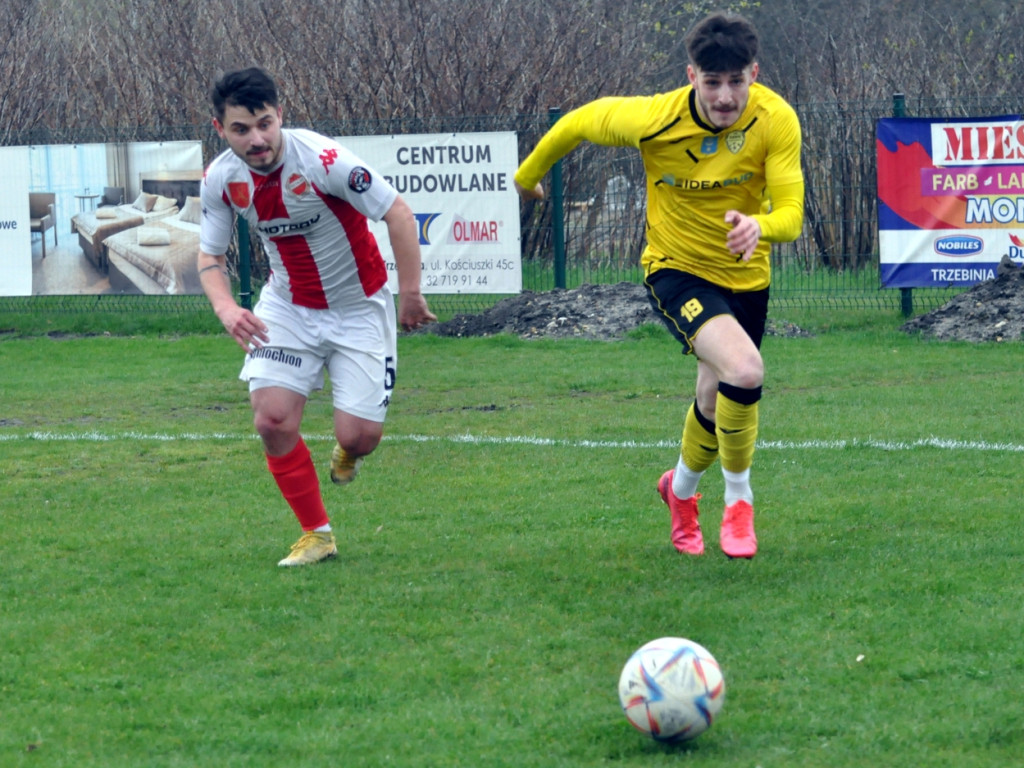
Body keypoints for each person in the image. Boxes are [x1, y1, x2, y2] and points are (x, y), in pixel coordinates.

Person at [514, 13, 804, 558]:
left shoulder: (777, 120)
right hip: (676, 268)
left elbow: (791, 213)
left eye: (736, 81)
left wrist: (760, 226)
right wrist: (527, 177)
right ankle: (739, 503)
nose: (724, 96)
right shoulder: (653, 118)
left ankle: (680, 491)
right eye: (712, 82)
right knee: (744, 371)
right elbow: (576, 124)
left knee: (714, 397)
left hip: (747, 275)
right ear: (691, 75)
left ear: (754, 74)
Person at [198, 67, 436, 567]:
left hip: (359, 308)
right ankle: (317, 534)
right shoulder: (221, 179)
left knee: (359, 438)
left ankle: (348, 450)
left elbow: (397, 213)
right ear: (220, 129)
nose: (257, 139)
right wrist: (225, 307)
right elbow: (209, 259)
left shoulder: (324, 160)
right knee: (272, 420)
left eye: (265, 123)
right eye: (241, 129)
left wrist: (410, 294)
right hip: (287, 307)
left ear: (280, 115)